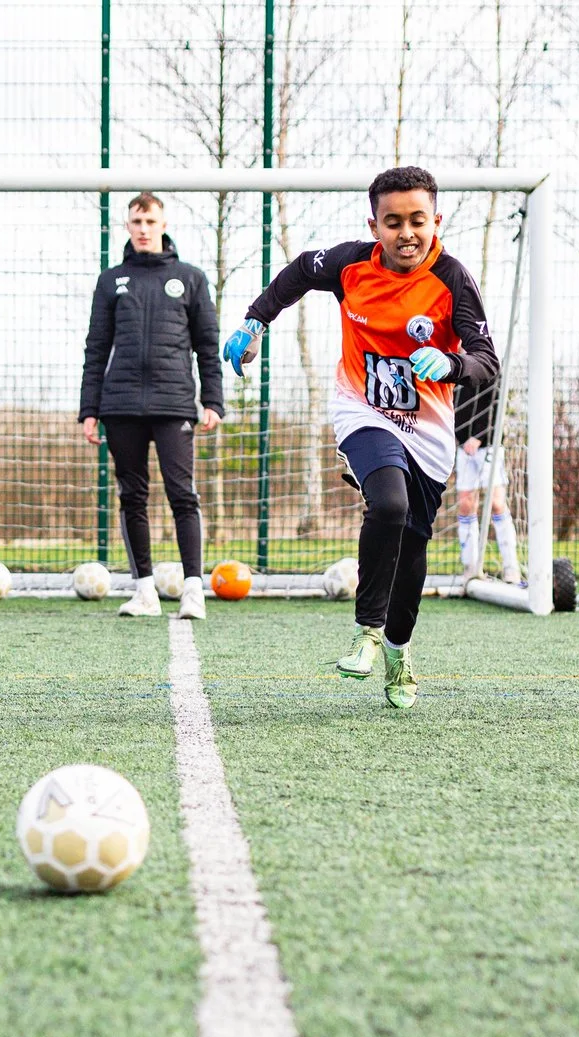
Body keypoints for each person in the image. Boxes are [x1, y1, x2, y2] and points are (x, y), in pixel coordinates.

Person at [222, 165, 498, 708]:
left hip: (429, 428)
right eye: (392, 222)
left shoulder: (453, 279)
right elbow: (301, 270)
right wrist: (255, 322)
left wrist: (449, 362)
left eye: (417, 220)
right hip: (362, 408)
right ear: (374, 226)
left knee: (414, 547)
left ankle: (398, 650)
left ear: (435, 221)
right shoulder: (351, 265)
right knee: (388, 503)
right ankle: (367, 630)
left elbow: (487, 362)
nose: (406, 233)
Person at [80, 191, 223, 620]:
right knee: (132, 497)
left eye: (150, 222)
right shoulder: (111, 280)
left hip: (173, 402)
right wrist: (89, 409)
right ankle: (144, 592)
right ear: (127, 226)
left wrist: (212, 399)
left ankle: (193, 591)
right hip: (119, 405)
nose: (143, 229)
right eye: (136, 222)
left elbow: (207, 346)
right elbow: (96, 348)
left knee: (183, 494)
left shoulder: (190, 278)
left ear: (163, 225)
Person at [453, 377, 517, 582]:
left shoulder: (489, 365)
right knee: (465, 504)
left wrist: (479, 435)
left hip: (489, 446)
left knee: (497, 504)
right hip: (463, 449)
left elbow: (496, 404)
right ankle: (470, 568)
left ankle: (511, 568)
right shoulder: (452, 363)